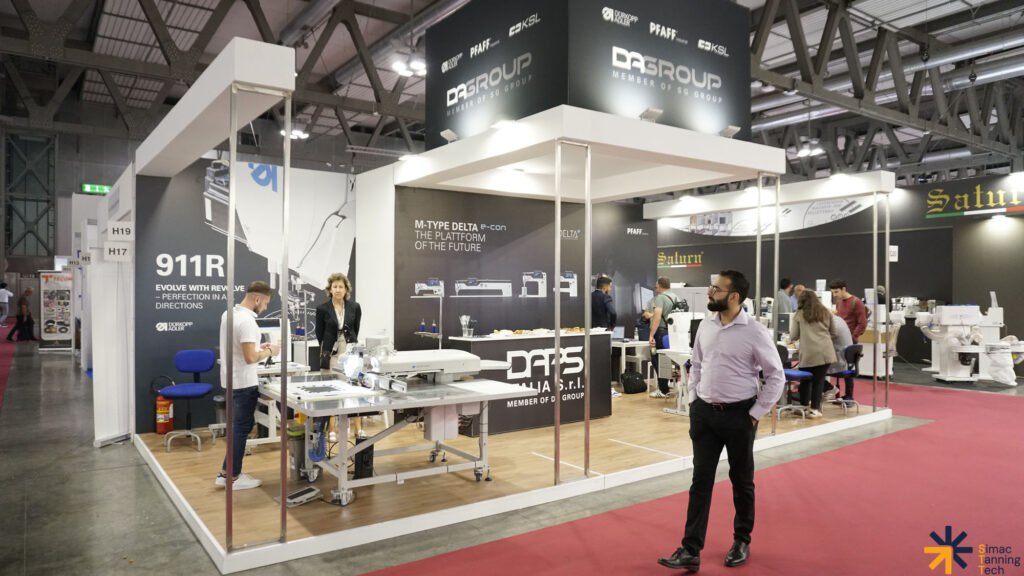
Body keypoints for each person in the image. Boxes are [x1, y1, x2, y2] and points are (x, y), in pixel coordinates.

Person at [658, 270, 784, 572]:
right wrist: (694, 401)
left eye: (716, 289)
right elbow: (697, 364)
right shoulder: (706, 325)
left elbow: (776, 376)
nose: (709, 292)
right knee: (700, 482)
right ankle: (690, 550)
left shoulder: (755, 332)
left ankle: (742, 541)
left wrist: (755, 414)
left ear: (734, 296)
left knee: (742, 481)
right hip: (704, 416)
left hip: (740, 416)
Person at [215, 281, 279, 490]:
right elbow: (250, 358)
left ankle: (225, 473)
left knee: (238, 428)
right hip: (243, 383)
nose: (265, 308)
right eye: (265, 303)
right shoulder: (248, 322)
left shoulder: (229, 314)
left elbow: (240, 347)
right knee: (241, 429)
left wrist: (258, 346)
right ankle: (233, 477)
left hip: (230, 380)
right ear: (257, 298)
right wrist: (270, 351)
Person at [315, 272, 363, 437]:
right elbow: (319, 333)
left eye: (340, 287)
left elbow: (356, 328)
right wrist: (329, 345)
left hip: (349, 348)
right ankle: (331, 428)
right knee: (330, 389)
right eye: (334, 286)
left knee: (353, 387)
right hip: (330, 350)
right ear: (330, 289)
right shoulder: (322, 309)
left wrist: (348, 342)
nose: (337, 290)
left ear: (346, 289)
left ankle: (358, 428)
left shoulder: (355, 307)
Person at [789, 290, 837, 418]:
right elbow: (834, 332)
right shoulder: (826, 312)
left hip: (808, 354)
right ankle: (815, 409)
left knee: (805, 381)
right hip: (826, 352)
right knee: (818, 381)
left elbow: (793, 335)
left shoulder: (799, 314)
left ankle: (804, 407)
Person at [644, 277, 677, 398]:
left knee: (657, 360)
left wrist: (651, 335)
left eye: (656, 286)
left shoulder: (660, 298)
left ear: (660, 286)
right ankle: (665, 388)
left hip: (660, 332)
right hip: (671, 333)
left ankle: (663, 390)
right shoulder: (675, 297)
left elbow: (657, 318)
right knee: (665, 360)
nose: (655, 288)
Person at [828, 313, 855, 405]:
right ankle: (848, 395)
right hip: (847, 361)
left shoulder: (832, 324)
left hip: (839, 361)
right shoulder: (839, 320)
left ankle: (828, 388)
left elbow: (822, 340)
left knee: (813, 369)